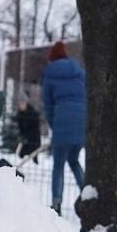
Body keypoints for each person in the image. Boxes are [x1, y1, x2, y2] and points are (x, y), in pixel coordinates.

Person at [41, 40, 86, 214]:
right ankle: (86, 193)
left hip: (62, 120)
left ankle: (56, 203)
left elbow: (48, 104)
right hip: (82, 121)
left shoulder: (50, 73)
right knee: (74, 161)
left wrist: (54, 125)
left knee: (58, 165)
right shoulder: (80, 72)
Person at [14, 96, 42, 163]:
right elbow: (20, 128)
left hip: (34, 139)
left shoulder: (33, 113)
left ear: (26, 103)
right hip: (25, 140)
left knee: (34, 158)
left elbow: (34, 128)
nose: (21, 105)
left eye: (23, 103)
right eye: (20, 104)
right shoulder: (19, 114)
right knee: (21, 155)